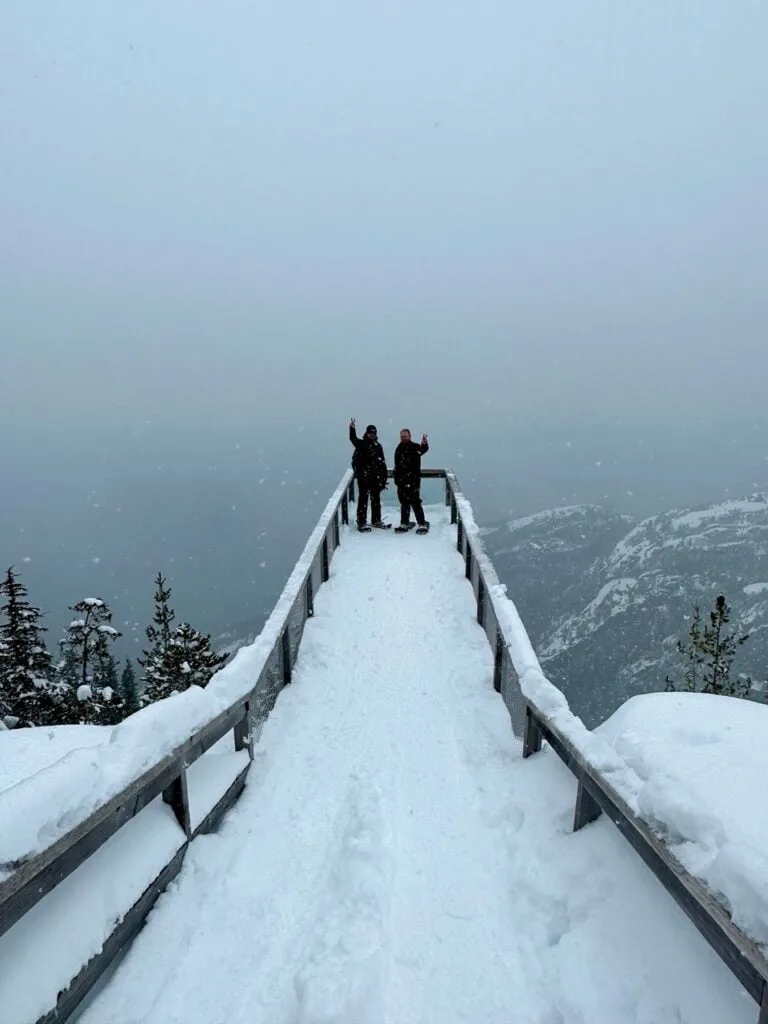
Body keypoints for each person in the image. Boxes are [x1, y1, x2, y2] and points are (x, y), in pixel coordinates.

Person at [348, 419, 389, 531]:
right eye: (370, 433)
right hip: (364, 478)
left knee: (376, 500)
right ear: (366, 433)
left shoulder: (378, 446)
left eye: (374, 433)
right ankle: (362, 522)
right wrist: (352, 428)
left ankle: (376, 521)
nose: (372, 434)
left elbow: (382, 463)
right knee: (363, 500)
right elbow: (353, 439)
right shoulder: (361, 444)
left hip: (376, 479)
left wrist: (383, 479)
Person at [393, 428, 430, 533]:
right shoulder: (398, 448)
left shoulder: (415, 447)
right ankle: (404, 523)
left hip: (413, 481)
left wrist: (424, 444)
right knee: (404, 502)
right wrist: (397, 479)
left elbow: (423, 450)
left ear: (409, 436)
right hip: (402, 481)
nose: (403, 438)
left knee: (415, 502)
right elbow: (397, 466)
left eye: (405, 436)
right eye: (401, 436)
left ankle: (421, 523)